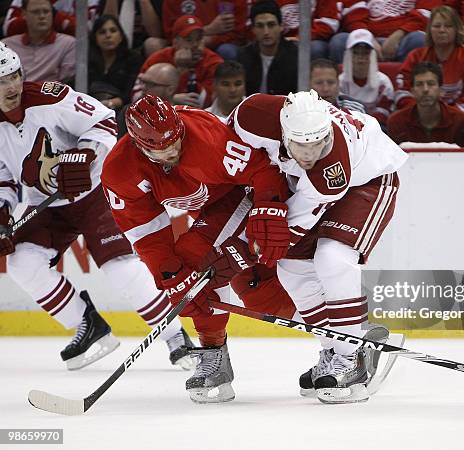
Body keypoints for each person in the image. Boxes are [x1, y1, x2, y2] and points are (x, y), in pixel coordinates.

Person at [0, 43, 194, 372]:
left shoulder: (50, 97)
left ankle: (176, 336)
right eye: (3, 80)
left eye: (15, 76)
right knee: (20, 262)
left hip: (92, 194)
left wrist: (87, 154)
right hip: (44, 205)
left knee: (121, 267)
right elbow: (4, 176)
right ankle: (87, 325)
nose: (13, 86)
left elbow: (104, 121)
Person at [101, 95, 297, 403]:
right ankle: (347, 334)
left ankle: (214, 357)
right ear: (138, 144)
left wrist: (268, 207)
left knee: (196, 262)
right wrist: (171, 275)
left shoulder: (206, 138)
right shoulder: (120, 171)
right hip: (213, 210)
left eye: (176, 141)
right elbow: (146, 233)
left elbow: (262, 169)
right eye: (161, 149)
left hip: (245, 193)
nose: (173, 151)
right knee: (260, 295)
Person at [227, 90, 407, 404]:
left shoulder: (332, 165)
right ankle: (334, 351)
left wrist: (257, 250)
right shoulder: (251, 114)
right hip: (304, 188)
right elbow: (231, 159)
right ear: (284, 131)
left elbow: (293, 226)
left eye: (318, 144)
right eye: (301, 145)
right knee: (291, 268)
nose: (310, 153)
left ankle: (351, 357)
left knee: (332, 258)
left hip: (369, 180)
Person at [395, 5, 464, 112]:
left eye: (448, 26)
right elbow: (402, 91)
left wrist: (444, 116)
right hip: (418, 117)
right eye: (437, 26)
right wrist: (419, 112)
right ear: (429, 30)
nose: (442, 30)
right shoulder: (415, 57)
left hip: (456, 120)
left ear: (457, 30)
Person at [131, 15, 223, 108]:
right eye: (189, 40)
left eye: (199, 39)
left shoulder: (213, 62)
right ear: (175, 42)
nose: (195, 45)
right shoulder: (158, 59)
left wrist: (184, 71)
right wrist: (171, 98)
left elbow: (209, 102)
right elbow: (136, 97)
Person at [329, 0, 440, 63]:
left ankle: (405, 89)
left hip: (404, 38)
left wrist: (397, 36)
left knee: (419, 40)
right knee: (339, 41)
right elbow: (353, 14)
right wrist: (368, 38)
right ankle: (344, 93)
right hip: (365, 38)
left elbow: (426, 14)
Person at [388, 62, 464, 144]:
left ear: (441, 90)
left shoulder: (460, 120)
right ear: (412, 91)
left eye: (431, 84)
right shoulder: (397, 122)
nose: (425, 89)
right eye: (419, 84)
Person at [1, 0, 75, 84]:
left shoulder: (69, 44)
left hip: (51, 95)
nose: (42, 16)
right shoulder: (6, 46)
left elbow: (66, 84)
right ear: (24, 14)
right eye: (35, 12)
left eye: (46, 11)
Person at [237, 0, 297, 96]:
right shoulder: (243, 57)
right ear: (253, 29)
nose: (266, 32)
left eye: (271, 25)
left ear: (281, 26)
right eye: (260, 26)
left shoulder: (295, 57)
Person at [339, 29, 394, 127]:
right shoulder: (340, 82)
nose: (361, 57)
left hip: (376, 127)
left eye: (365, 53)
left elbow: (384, 112)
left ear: (372, 56)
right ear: (348, 55)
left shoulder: (383, 83)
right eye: (356, 52)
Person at [88, 14, 143, 111]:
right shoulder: (87, 60)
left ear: (121, 36)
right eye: (102, 32)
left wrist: (110, 103)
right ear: (95, 38)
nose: (108, 35)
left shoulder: (133, 59)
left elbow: (131, 93)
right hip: (89, 108)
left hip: (122, 110)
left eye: (113, 31)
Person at [161, 0, 249, 61]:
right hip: (185, 44)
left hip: (223, 45)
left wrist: (211, 40)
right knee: (153, 44)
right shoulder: (172, 1)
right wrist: (208, 30)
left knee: (227, 51)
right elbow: (171, 35)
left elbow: (238, 33)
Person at [116, 62, 179, 137]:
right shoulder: (129, 112)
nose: (144, 88)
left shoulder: (183, 117)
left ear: (170, 90)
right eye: (143, 82)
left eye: (151, 84)